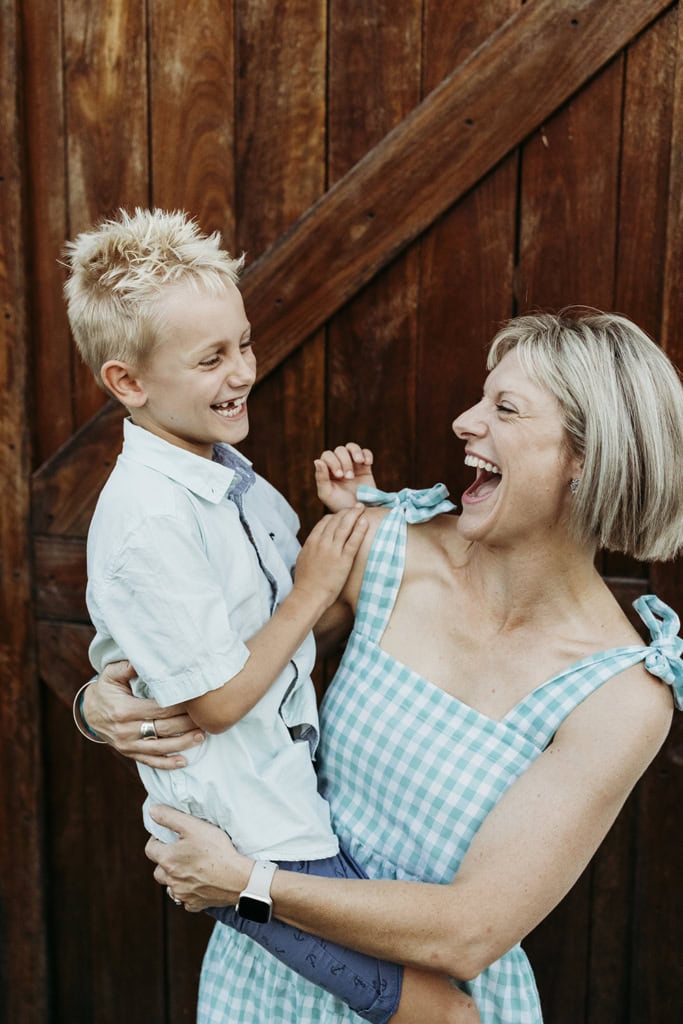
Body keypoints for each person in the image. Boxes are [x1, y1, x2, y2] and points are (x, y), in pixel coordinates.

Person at [82, 309, 683, 1023]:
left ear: (584, 456)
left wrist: (246, 883)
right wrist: (100, 705)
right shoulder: (385, 554)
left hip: (428, 1000)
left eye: (504, 408)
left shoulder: (620, 694)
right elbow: (222, 675)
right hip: (266, 979)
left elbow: (470, 932)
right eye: (480, 397)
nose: (463, 422)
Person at [64, 207, 479, 1024]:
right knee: (449, 1014)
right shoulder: (149, 518)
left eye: (244, 344)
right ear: (128, 383)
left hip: (293, 804)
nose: (243, 371)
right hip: (245, 839)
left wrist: (349, 524)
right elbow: (215, 702)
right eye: (211, 357)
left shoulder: (227, 473)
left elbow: (287, 644)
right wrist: (311, 589)